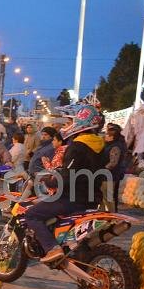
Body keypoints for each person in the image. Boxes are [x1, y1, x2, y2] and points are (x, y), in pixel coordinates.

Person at [24, 104, 105, 263]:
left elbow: (67, 178)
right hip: (93, 198)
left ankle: (52, 248)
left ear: (81, 122)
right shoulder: (100, 146)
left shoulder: (77, 147)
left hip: (72, 199)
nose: (67, 125)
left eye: (69, 122)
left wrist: (49, 181)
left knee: (32, 214)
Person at [101, 123, 127, 212]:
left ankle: (112, 216)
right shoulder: (111, 144)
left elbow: (113, 163)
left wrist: (102, 170)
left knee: (108, 198)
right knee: (104, 197)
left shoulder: (115, 146)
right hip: (108, 174)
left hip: (109, 175)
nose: (106, 135)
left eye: (108, 133)